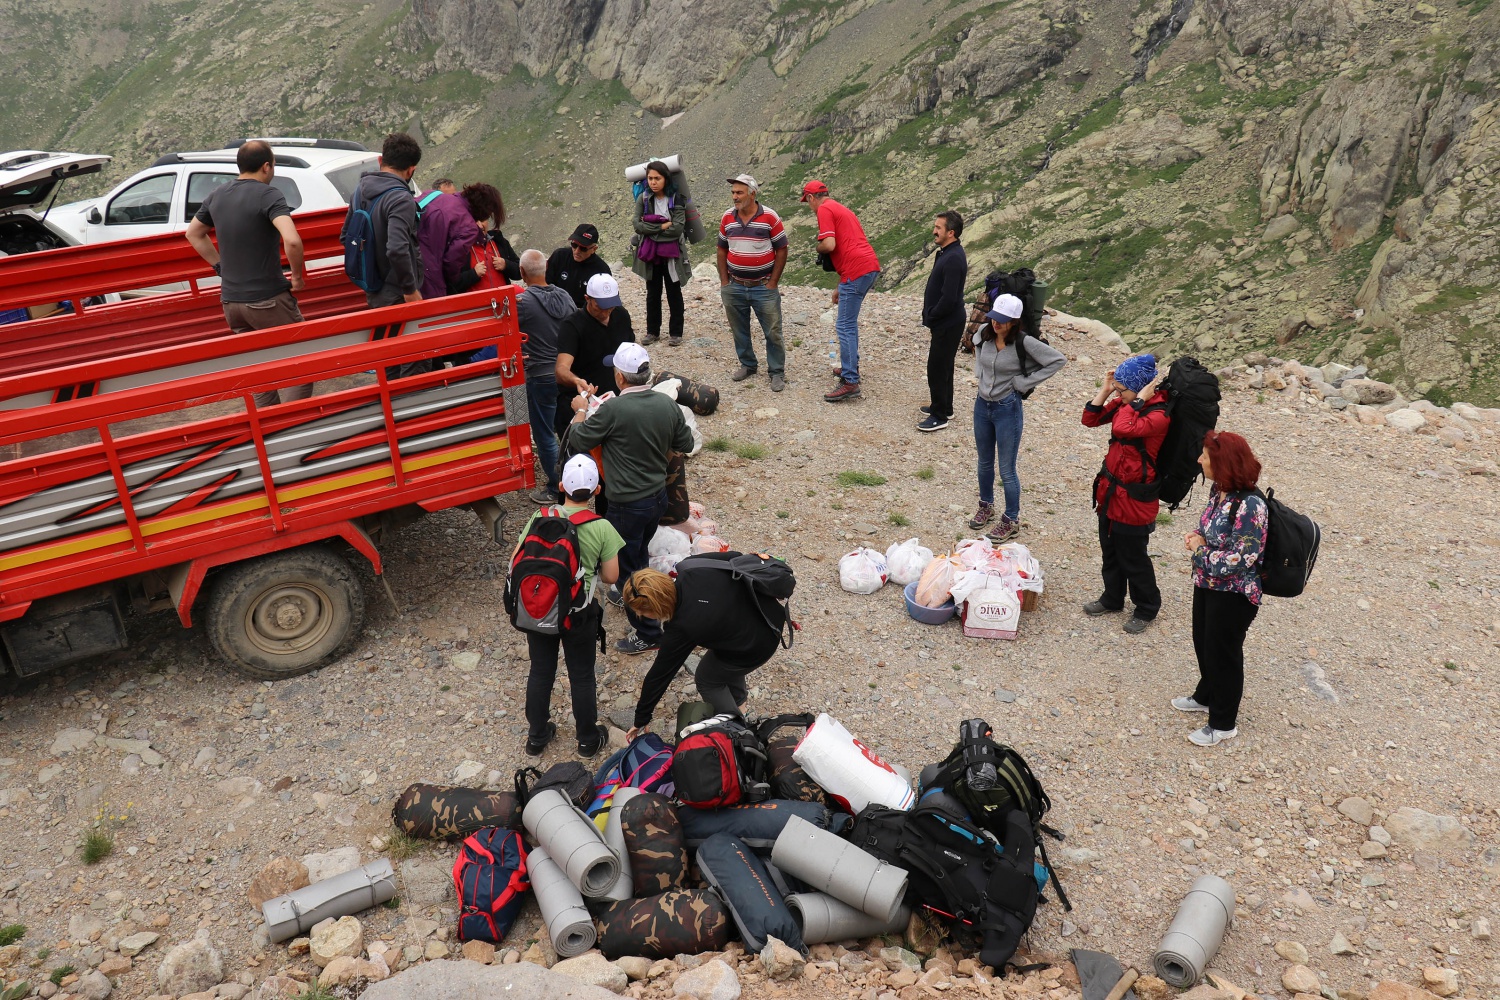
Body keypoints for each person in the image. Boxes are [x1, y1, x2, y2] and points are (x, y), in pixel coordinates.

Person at [565, 343, 693, 656]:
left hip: (627, 505)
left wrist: (581, 409)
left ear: (620, 378)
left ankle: (648, 631)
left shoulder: (614, 410)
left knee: (628, 567)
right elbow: (686, 443)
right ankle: (630, 594)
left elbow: (579, 439)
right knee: (638, 553)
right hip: (657, 498)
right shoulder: (667, 404)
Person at [184, 139, 310, 407]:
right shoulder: (269, 195)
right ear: (266, 167)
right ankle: (293, 424)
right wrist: (297, 277)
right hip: (268, 300)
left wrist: (221, 267)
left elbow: (193, 233)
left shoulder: (217, 194)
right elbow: (292, 240)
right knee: (300, 362)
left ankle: (268, 426)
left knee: (259, 370)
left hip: (232, 303)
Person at [513, 454, 623, 758]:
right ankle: (587, 740)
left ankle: (536, 737)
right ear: (597, 490)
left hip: (540, 608)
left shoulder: (540, 516)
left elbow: (517, 558)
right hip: (578, 613)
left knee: (540, 671)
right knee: (582, 675)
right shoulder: (602, 527)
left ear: (561, 486)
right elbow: (611, 576)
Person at [621, 556, 788, 739]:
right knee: (723, 657)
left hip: (758, 645)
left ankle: (738, 729)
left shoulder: (683, 627)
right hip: (769, 614)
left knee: (707, 678)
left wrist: (641, 719)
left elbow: (660, 674)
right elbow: (735, 557)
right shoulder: (690, 567)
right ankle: (740, 705)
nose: (640, 616)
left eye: (642, 613)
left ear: (656, 607)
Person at [1178, 431, 1268, 747]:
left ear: (1222, 462)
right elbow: (1209, 528)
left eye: (1205, 456)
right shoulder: (1220, 491)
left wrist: (1199, 550)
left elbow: (1240, 559)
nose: (1199, 460)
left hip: (1234, 594)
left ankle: (1223, 723)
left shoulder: (1251, 505)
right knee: (1203, 642)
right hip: (1207, 583)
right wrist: (1197, 536)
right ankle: (1206, 695)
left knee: (1224, 654)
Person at [1081, 353, 1170, 634]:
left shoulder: (1159, 415)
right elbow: (1090, 419)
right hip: (1110, 493)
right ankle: (1112, 598)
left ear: (1140, 388)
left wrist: (1138, 400)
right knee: (1110, 549)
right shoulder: (1127, 403)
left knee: (1133, 557)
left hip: (1134, 500)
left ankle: (1147, 607)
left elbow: (1122, 427)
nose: (1118, 396)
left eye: (1121, 390)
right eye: (1117, 391)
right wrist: (1106, 390)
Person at [966, 294, 1066, 542]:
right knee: (984, 462)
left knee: (1007, 469)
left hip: (1007, 409)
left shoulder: (1024, 342)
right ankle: (986, 506)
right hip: (982, 406)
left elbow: (1057, 360)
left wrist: (1024, 383)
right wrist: (979, 373)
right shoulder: (985, 334)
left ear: (1014, 321)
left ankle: (1011, 520)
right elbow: (976, 344)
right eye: (993, 317)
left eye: (1001, 320)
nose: (995, 323)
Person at [800, 180, 881, 403]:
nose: (809, 206)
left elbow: (829, 245)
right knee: (849, 323)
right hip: (868, 267)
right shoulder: (842, 208)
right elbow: (848, 246)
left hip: (856, 270)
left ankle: (850, 381)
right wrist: (840, 286)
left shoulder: (824, 209)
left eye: (807, 201)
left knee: (844, 325)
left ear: (810, 197)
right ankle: (850, 368)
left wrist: (818, 248)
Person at [515, 249, 577, 503]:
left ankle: (555, 487)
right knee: (567, 431)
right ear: (547, 268)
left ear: (522, 273)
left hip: (539, 375)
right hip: (567, 373)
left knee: (544, 435)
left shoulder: (522, 303)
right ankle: (576, 480)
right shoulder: (565, 295)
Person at [717, 174, 787, 393]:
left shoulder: (770, 217)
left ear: (752, 194)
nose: (735, 197)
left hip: (763, 286)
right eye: (733, 193)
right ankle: (748, 364)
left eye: (739, 193)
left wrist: (773, 282)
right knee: (739, 329)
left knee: (773, 331)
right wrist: (725, 281)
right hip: (735, 285)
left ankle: (776, 371)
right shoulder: (727, 217)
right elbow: (721, 249)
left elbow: (782, 249)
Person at [343, 132, 423, 310]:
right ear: (411, 170)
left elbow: (345, 237)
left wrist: (371, 268)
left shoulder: (358, 192)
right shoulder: (401, 199)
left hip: (373, 290)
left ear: (380, 160)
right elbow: (396, 248)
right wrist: (410, 289)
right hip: (398, 295)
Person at [555, 273, 635, 440]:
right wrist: (576, 381)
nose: (606, 312)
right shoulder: (572, 325)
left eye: (610, 307)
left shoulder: (621, 315)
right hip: (583, 404)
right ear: (587, 299)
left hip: (616, 401)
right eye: (600, 307)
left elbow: (630, 351)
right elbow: (561, 369)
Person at [918, 210, 968, 432]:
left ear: (951, 232)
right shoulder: (948, 253)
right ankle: (945, 407)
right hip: (946, 321)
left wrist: (933, 315)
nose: (934, 231)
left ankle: (939, 416)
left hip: (947, 322)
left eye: (938, 228)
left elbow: (949, 297)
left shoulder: (954, 257)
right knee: (945, 365)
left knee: (937, 367)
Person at [631, 161, 689, 347]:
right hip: (652, 255)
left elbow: (677, 229)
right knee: (652, 293)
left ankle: (676, 332)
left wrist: (650, 231)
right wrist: (662, 227)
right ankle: (652, 331)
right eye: (650, 178)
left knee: (674, 293)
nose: (653, 182)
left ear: (666, 179)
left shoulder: (676, 199)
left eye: (657, 178)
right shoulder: (644, 198)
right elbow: (637, 225)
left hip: (671, 256)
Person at [446, 183, 521, 295]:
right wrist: (473, 274)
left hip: (503, 301)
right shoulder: (459, 247)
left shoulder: (498, 241)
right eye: (476, 221)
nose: (480, 225)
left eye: (483, 220)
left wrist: (506, 265)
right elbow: (450, 284)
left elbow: (520, 272)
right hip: (475, 305)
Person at [415, 181, 478, 301]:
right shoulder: (464, 229)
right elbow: (451, 266)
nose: (452, 202)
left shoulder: (459, 231)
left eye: (454, 196)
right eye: (447, 197)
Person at [547, 224, 612, 309]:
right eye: (574, 245)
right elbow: (546, 284)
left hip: (582, 312)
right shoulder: (559, 256)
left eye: (583, 248)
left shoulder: (602, 270)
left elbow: (607, 302)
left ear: (594, 249)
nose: (577, 251)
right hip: (554, 306)